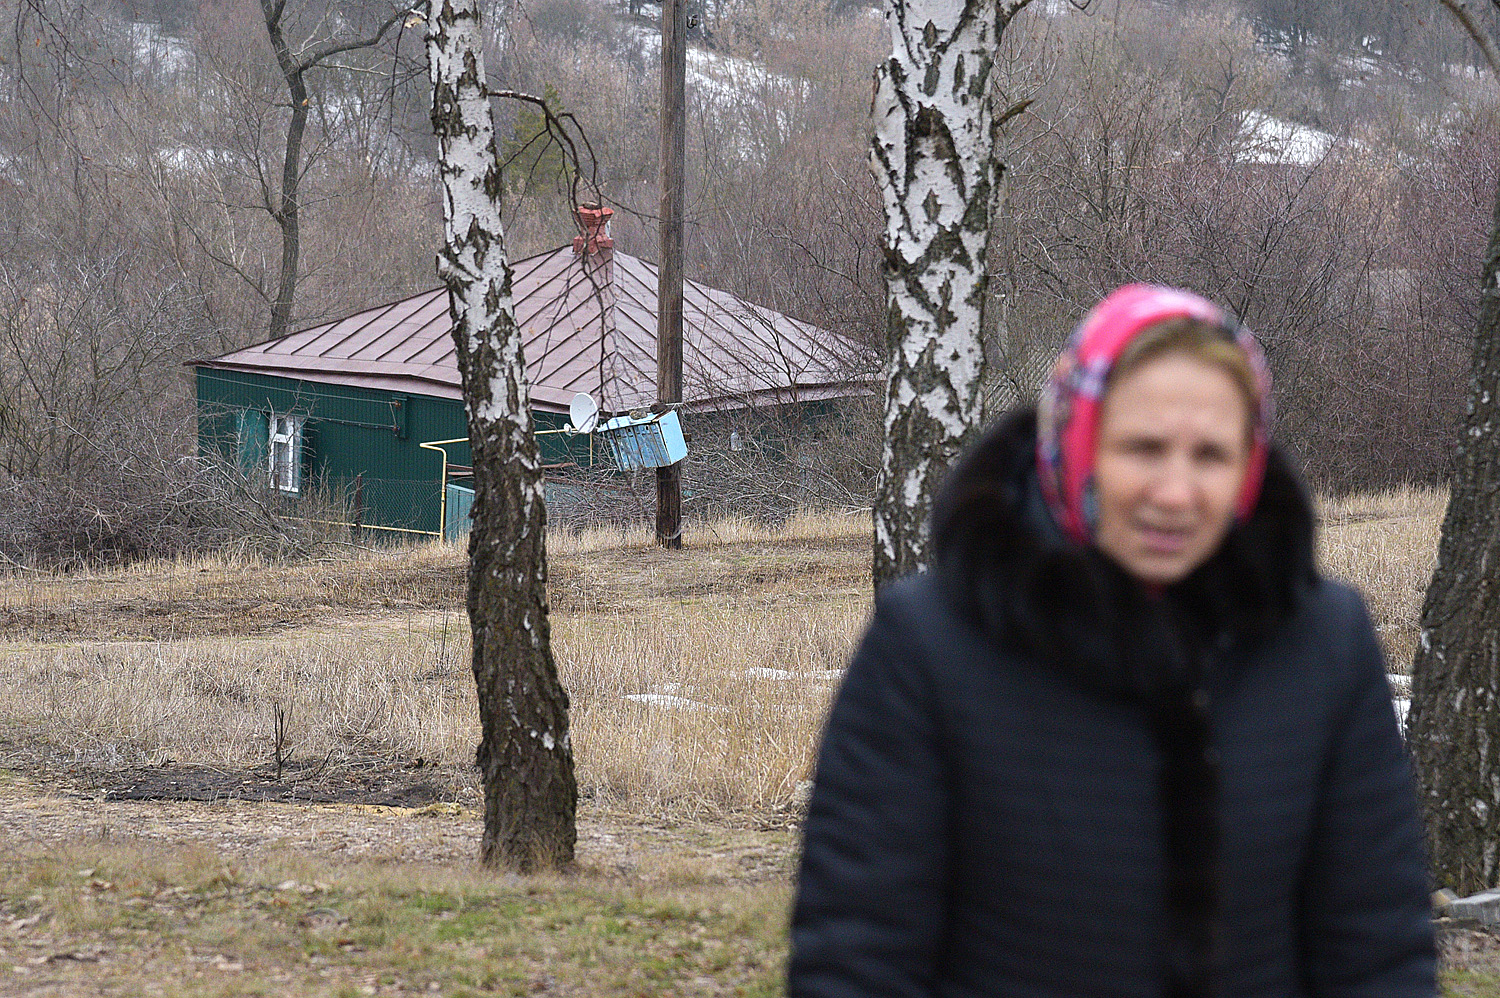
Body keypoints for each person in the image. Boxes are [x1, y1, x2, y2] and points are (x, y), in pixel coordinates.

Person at [788, 285, 1435, 998]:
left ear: (1250, 464)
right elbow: (857, 958)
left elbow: (1377, 950)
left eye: (1212, 455)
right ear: (1074, 440)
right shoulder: (931, 647)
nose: (1176, 492)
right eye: (1143, 448)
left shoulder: (1324, 645)